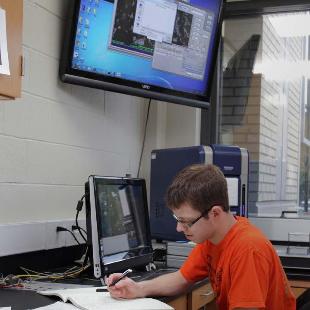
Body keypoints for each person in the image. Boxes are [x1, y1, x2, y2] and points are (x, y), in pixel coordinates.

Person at [106, 164, 296, 309]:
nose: (179, 228)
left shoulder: (247, 249)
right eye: (177, 219)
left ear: (214, 213)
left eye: (186, 221)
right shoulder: (212, 239)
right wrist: (138, 288)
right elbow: (182, 279)